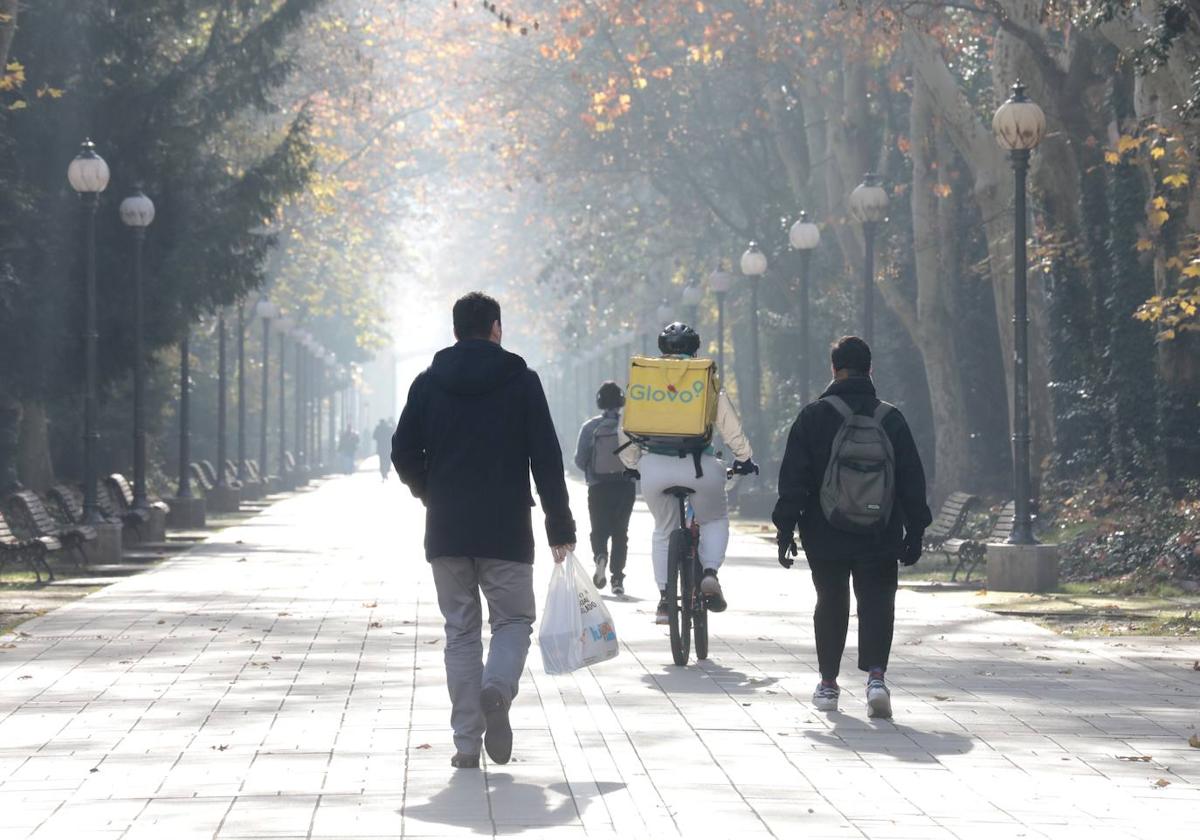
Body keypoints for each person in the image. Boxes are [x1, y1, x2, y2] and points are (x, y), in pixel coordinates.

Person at [391, 291, 575, 770]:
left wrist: (429, 490)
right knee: (513, 621)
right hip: (506, 527)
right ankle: (497, 688)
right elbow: (547, 458)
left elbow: (403, 451)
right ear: (496, 328)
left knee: (460, 633)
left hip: (447, 528)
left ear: (455, 331)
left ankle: (466, 743)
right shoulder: (522, 381)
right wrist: (560, 524)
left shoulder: (428, 383)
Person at [772, 336, 932, 719]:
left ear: (834, 369)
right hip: (881, 529)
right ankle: (876, 679)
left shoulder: (813, 416)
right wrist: (916, 530)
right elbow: (911, 478)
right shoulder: (891, 418)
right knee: (877, 599)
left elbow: (795, 477)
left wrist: (785, 528)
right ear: (870, 369)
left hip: (825, 530)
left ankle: (828, 684)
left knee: (830, 601)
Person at [618, 322, 757, 624]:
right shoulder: (706, 379)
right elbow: (730, 427)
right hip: (700, 466)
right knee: (714, 519)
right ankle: (709, 573)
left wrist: (631, 464)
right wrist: (744, 457)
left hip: (654, 467)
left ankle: (666, 600)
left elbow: (627, 429)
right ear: (695, 350)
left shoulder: (645, 381)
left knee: (663, 530)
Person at [573, 381, 637, 596]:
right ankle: (617, 578)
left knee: (599, 529)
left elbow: (580, 460)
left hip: (598, 487)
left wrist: (592, 471)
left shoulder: (589, 427)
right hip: (624, 486)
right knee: (621, 532)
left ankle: (600, 556)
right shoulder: (629, 426)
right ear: (621, 401)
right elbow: (637, 455)